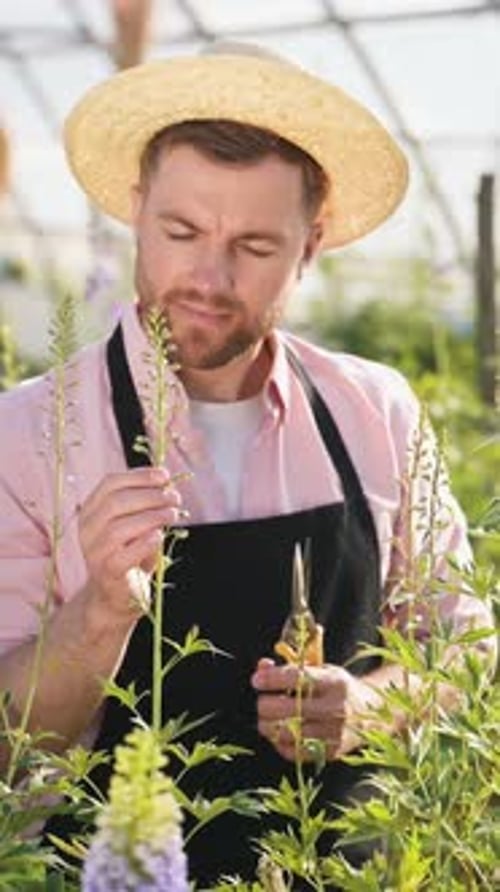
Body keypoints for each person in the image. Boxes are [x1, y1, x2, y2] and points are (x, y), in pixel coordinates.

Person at [0, 43, 495, 884]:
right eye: (182, 231)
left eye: (257, 245)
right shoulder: (28, 435)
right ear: (135, 210)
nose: (209, 275)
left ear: (313, 244)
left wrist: (374, 707)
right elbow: (11, 742)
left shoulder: (375, 410)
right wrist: (98, 613)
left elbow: (472, 650)